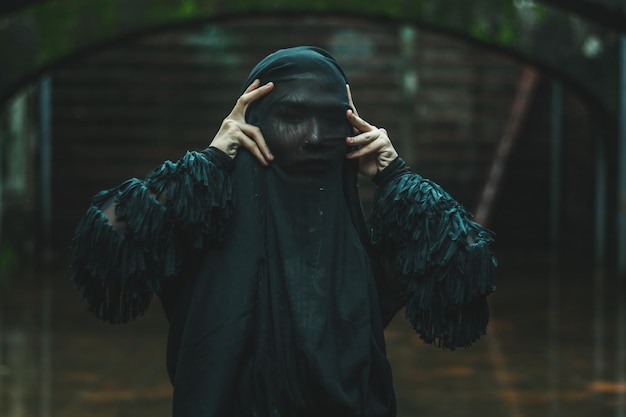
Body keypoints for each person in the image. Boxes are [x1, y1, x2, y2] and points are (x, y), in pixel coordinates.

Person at [70, 46, 496, 417]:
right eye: (293, 116)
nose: (313, 136)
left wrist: (395, 175)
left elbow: (467, 260)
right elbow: (107, 235)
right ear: (254, 120)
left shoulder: (356, 243)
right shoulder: (201, 227)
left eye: (330, 119)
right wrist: (211, 161)